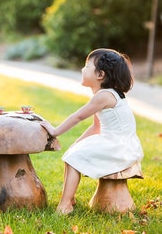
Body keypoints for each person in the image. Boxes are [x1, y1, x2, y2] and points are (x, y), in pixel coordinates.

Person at [40, 48, 144, 215]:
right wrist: (77, 143)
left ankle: (65, 204)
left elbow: (78, 117)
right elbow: (97, 126)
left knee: (74, 158)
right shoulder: (108, 94)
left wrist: (55, 131)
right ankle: (69, 198)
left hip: (119, 147)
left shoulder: (103, 96)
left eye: (87, 66)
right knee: (72, 154)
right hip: (119, 143)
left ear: (100, 74)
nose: (83, 69)